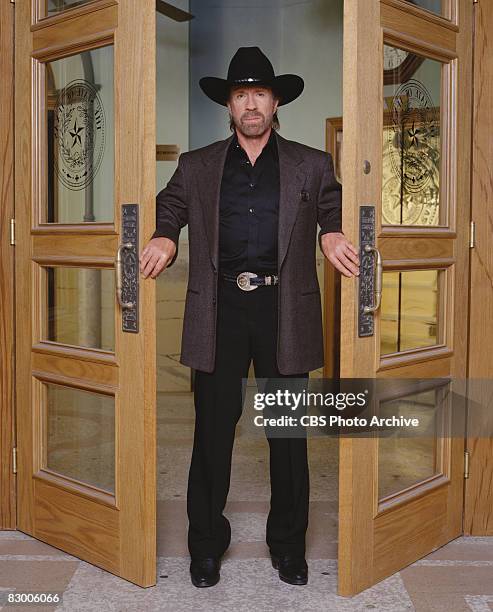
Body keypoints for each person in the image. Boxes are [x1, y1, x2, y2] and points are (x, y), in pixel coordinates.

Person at [139, 46, 360, 588]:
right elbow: (171, 204)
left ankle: (287, 545)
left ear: (276, 100)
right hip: (219, 311)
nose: (252, 104)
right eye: (241, 95)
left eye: (260, 93)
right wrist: (166, 233)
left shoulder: (312, 163)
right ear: (230, 106)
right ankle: (206, 544)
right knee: (213, 433)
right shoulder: (197, 165)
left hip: (286, 308)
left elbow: (331, 206)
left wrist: (330, 229)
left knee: (288, 437)